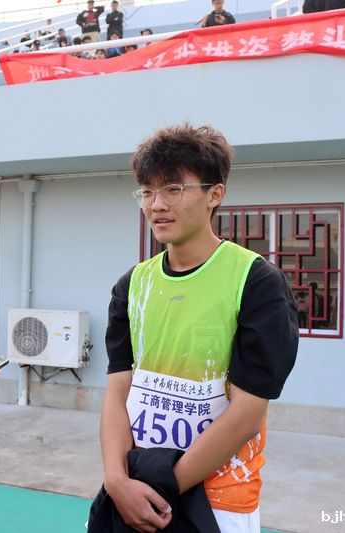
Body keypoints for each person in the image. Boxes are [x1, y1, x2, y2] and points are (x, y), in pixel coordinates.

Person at [97, 124, 298, 532]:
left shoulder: (255, 281)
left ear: (215, 194)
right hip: (134, 485)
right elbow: (118, 390)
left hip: (219, 499)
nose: (157, 204)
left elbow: (247, 413)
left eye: (174, 189)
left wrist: (160, 485)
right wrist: (116, 481)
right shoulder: (132, 285)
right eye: (147, 191)